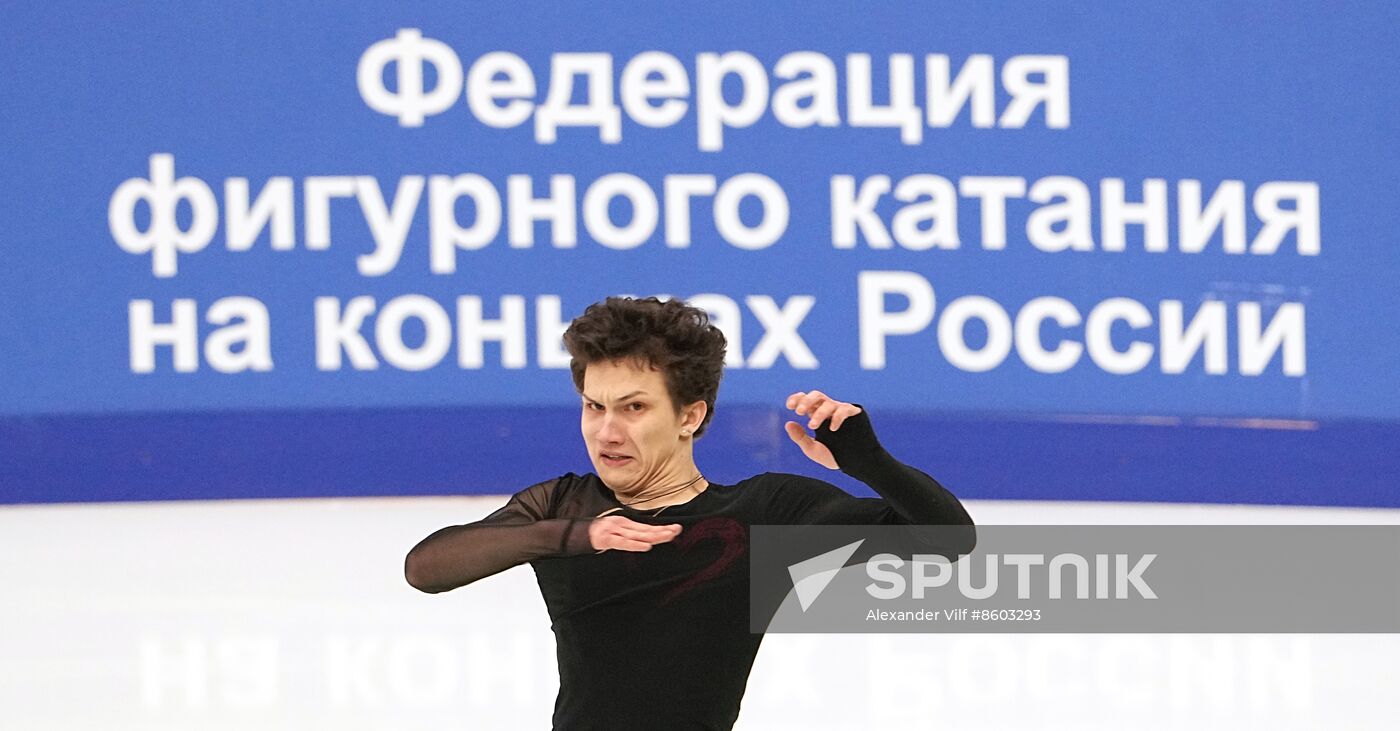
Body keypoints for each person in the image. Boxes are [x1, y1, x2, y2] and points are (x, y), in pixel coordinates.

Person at [404, 296, 975, 730]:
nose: (606, 431)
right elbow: (427, 568)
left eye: (633, 408)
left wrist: (868, 461)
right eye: (593, 406)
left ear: (689, 416)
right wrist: (579, 536)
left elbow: (949, 542)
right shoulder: (563, 506)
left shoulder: (762, 514)